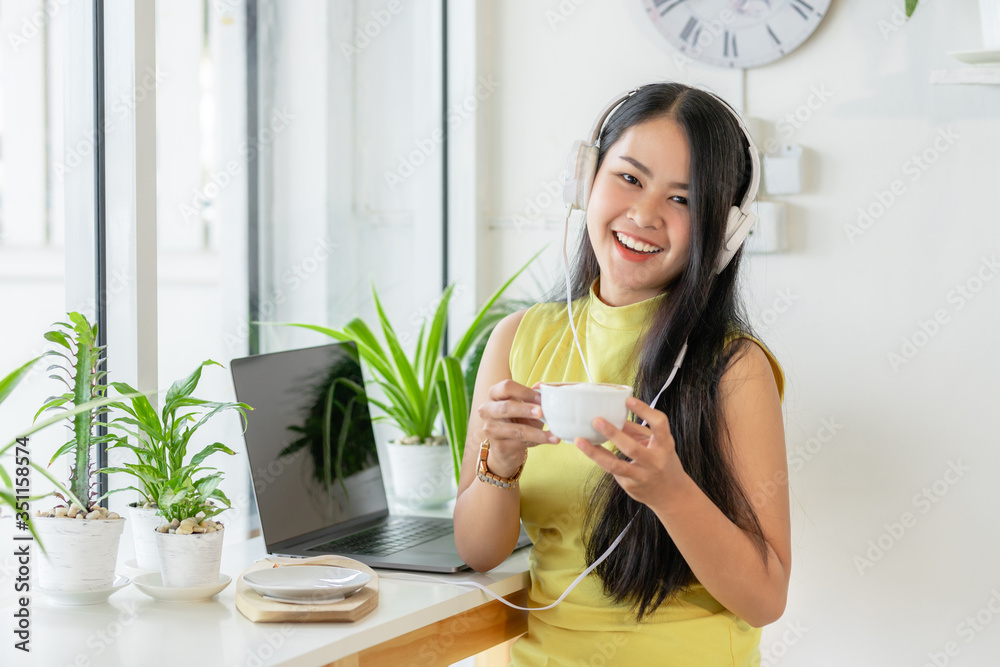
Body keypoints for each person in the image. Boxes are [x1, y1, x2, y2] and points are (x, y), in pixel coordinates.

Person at [453, 82, 790, 666]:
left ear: (724, 234)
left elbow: (765, 598)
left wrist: (671, 492)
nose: (644, 214)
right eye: (629, 178)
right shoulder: (518, 339)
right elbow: (478, 551)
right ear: (585, 179)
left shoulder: (734, 368)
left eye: (682, 200)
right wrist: (498, 466)